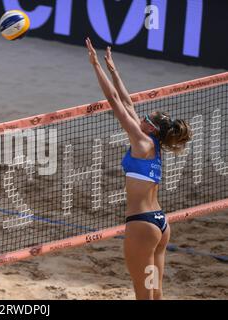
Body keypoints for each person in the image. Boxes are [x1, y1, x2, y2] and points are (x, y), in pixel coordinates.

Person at [85, 38, 192, 299]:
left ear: (151, 128)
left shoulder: (142, 141)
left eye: (145, 119)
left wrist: (96, 65)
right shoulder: (153, 143)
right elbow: (128, 104)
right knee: (155, 292)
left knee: (143, 296)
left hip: (142, 226)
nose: (140, 118)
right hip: (160, 225)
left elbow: (114, 102)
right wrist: (113, 69)